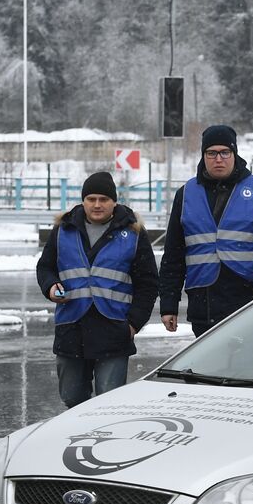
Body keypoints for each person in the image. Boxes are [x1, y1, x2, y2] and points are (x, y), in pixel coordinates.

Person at [159, 125, 253, 336]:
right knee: (206, 369)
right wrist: (169, 305)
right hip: (203, 306)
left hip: (249, 302)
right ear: (203, 156)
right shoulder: (186, 194)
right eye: (211, 153)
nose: (218, 159)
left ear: (235, 154)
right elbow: (173, 255)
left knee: (244, 369)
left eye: (225, 152)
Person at [37, 171, 158, 408]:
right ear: (83, 201)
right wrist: (51, 286)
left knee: (108, 403)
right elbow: (45, 267)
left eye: (104, 199)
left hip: (113, 328)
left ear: (114, 201)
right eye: (91, 199)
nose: (97, 205)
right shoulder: (64, 229)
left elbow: (148, 282)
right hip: (71, 327)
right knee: (72, 398)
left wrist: (134, 323)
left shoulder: (132, 232)